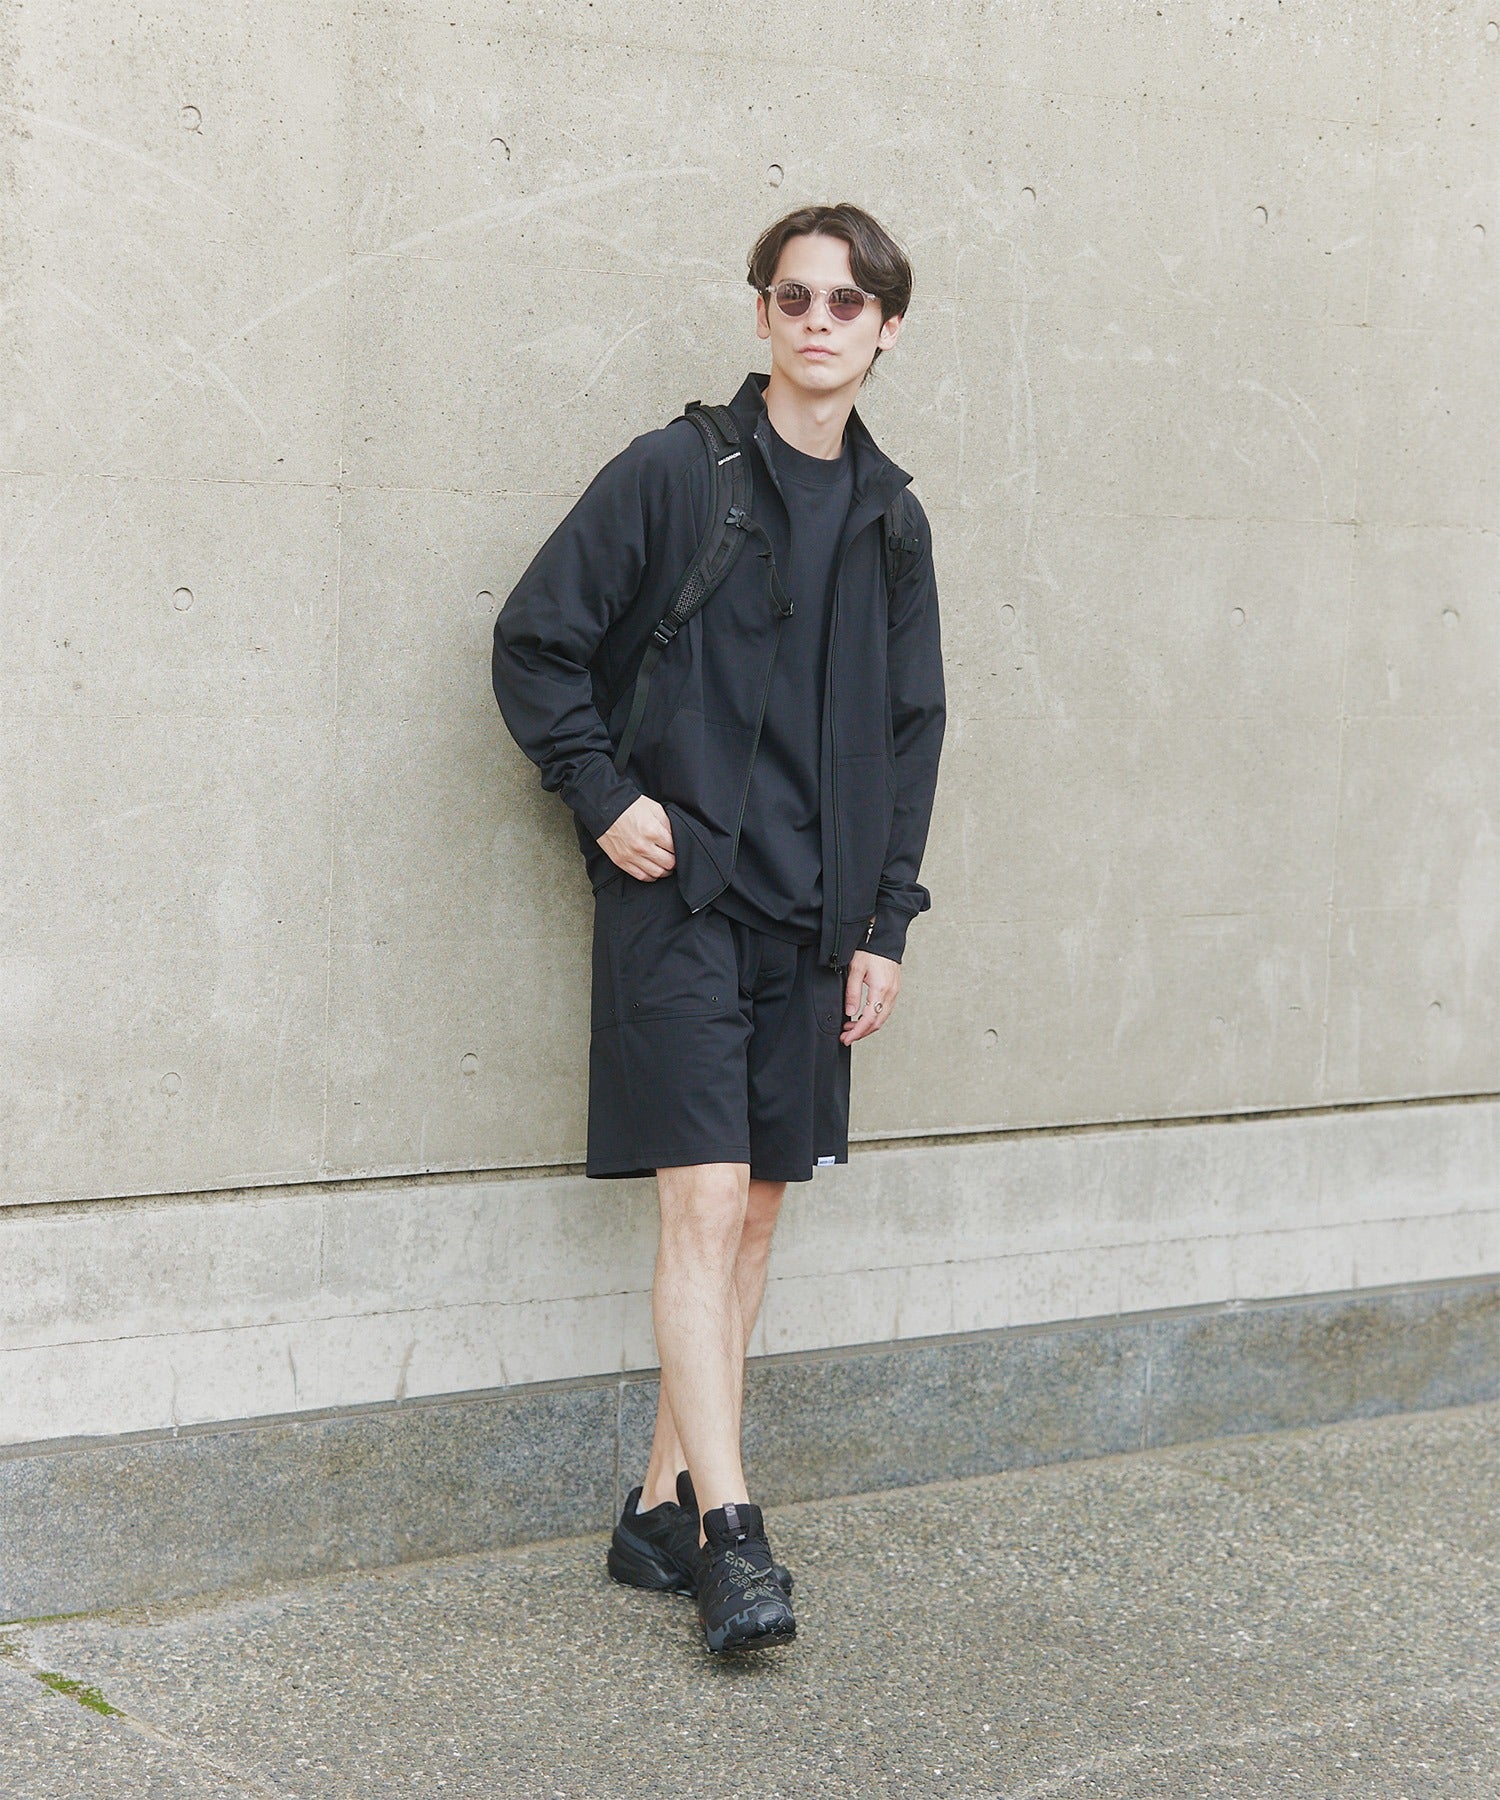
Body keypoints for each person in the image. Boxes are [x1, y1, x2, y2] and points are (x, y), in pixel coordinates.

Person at [491, 201, 946, 1654]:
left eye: (847, 302)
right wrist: (601, 794)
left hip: (813, 919)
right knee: (700, 1203)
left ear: (886, 329)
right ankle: (734, 1539)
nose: (819, 321)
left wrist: (883, 923)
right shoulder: (675, 473)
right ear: (762, 315)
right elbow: (536, 641)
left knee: (753, 1213)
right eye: (794, 297)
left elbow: (910, 734)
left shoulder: (891, 520)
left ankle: (655, 1510)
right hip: (679, 902)